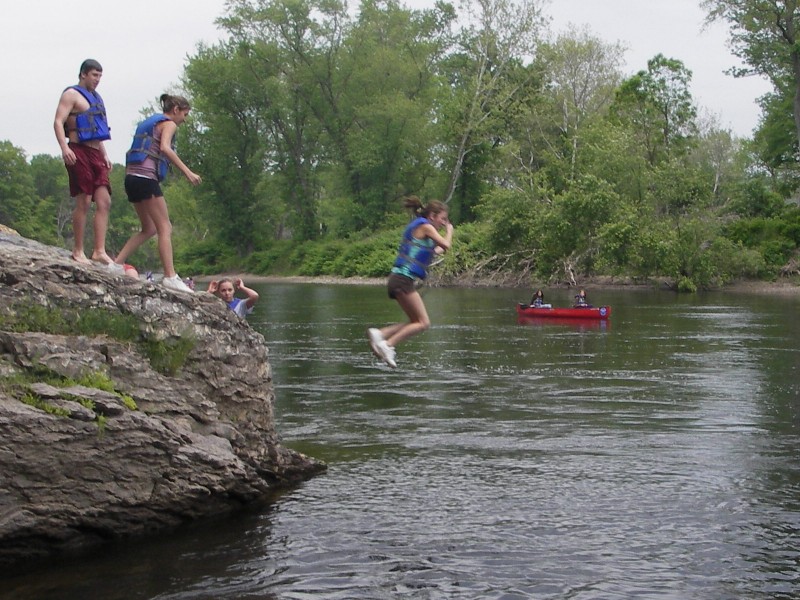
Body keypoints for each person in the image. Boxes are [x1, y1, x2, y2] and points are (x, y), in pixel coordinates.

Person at [110, 94, 201, 293]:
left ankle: (116, 265)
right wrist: (188, 172)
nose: (184, 120)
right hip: (145, 179)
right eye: (185, 114)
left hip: (131, 179)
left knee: (149, 228)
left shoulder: (150, 122)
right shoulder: (169, 124)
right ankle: (170, 276)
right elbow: (165, 148)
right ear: (176, 109)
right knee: (165, 227)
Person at [367, 196, 454, 368]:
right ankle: (388, 345)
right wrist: (450, 231)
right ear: (432, 216)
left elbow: (436, 250)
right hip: (403, 280)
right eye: (442, 219)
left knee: (416, 321)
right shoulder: (426, 226)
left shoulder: (423, 230)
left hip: (398, 279)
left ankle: (381, 334)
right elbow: (446, 245)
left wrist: (442, 244)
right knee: (423, 323)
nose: (444, 223)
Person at [53, 59, 114, 266]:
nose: (97, 79)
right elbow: (58, 122)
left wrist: (104, 155)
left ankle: (99, 251)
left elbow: (97, 130)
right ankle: (78, 250)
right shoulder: (71, 94)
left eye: (100, 76)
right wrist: (65, 148)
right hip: (78, 150)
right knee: (85, 200)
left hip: (96, 153)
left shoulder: (97, 98)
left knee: (104, 201)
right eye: (94, 75)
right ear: (83, 74)